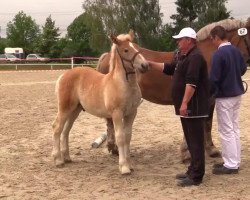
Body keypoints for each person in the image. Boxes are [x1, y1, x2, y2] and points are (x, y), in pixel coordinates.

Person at [149, 27, 209, 187]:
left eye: (180, 39)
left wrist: (184, 103)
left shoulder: (195, 57)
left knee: (196, 141)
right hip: (188, 107)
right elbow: (169, 69)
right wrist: (150, 64)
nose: (177, 41)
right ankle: (192, 170)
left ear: (189, 40)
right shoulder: (183, 56)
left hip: (193, 107)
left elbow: (192, 83)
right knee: (190, 140)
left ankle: (197, 176)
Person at [209, 25, 247, 175]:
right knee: (234, 128)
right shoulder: (236, 51)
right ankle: (234, 160)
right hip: (237, 93)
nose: (212, 42)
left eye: (212, 39)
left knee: (226, 130)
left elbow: (214, 79)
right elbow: (243, 69)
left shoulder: (218, 54)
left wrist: (210, 93)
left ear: (217, 37)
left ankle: (231, 164)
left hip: (224, 96)